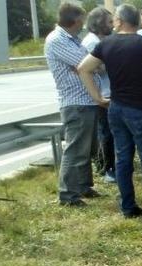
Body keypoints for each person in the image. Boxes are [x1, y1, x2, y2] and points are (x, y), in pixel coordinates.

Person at [77, 3, 142, 221]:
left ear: (120, 21)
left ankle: (128, 207)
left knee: (123, 158)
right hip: (140, 109)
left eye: (114, 19)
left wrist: (97, 97)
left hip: (116, 107)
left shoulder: (106, 44)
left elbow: (83, 68)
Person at [44, 2, 101, 207]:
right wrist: (90, 66)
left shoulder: (73, 39)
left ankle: (84, 185)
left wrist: (88, 67)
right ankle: (68, 194)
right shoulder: (57, 40)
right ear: (75, 20)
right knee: (76, 148)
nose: (83, 25)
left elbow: (87, 65)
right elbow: (87, 63)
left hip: (86, 100)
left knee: (87, 148)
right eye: (82, 21)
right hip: (75, 102)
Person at [82, 6, 116, 184]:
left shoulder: (103, 39)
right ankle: (107, 168)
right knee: (107, 133)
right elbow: (99, 67)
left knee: (110, 132)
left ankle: (110, 166)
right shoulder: (92, 42)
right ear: (99, 23)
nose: (113, 25)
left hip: (107, 91)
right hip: (101, 94)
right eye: (110, 22)